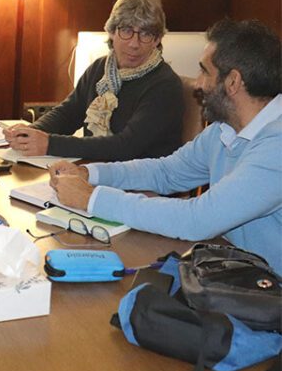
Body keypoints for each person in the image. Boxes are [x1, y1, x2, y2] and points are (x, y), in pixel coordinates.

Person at [50, 18, 282, 274]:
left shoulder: (276, 147)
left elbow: (197, 220)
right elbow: (166, 172)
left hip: (269, 295)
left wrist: (91, 199)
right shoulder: (224, 129)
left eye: (205, 71)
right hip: (235, 274)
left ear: (233, 82)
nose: (197, 83)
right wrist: (90, 174)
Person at [4, 0, 184, 161]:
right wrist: (30, 134)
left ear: (157, 39)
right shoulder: (100, 68)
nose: (134, 44)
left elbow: (127, 146)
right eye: (126, 31)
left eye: (146, 34)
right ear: (112, 32)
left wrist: (49, 144)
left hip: (142, 183)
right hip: (96, 168)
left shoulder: (165, 85)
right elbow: (69, 113)